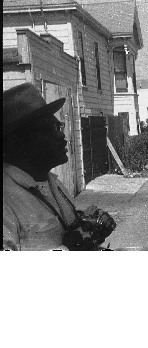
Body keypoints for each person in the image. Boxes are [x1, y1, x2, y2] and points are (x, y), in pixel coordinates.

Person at [3, 82, 116, 251]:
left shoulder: (52, 182)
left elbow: (65, 230)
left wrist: (90, 227)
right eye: (49, 129)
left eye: (59, 126)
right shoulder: (7, 199)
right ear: (17, 142)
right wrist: (68, 249)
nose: (61, 135)